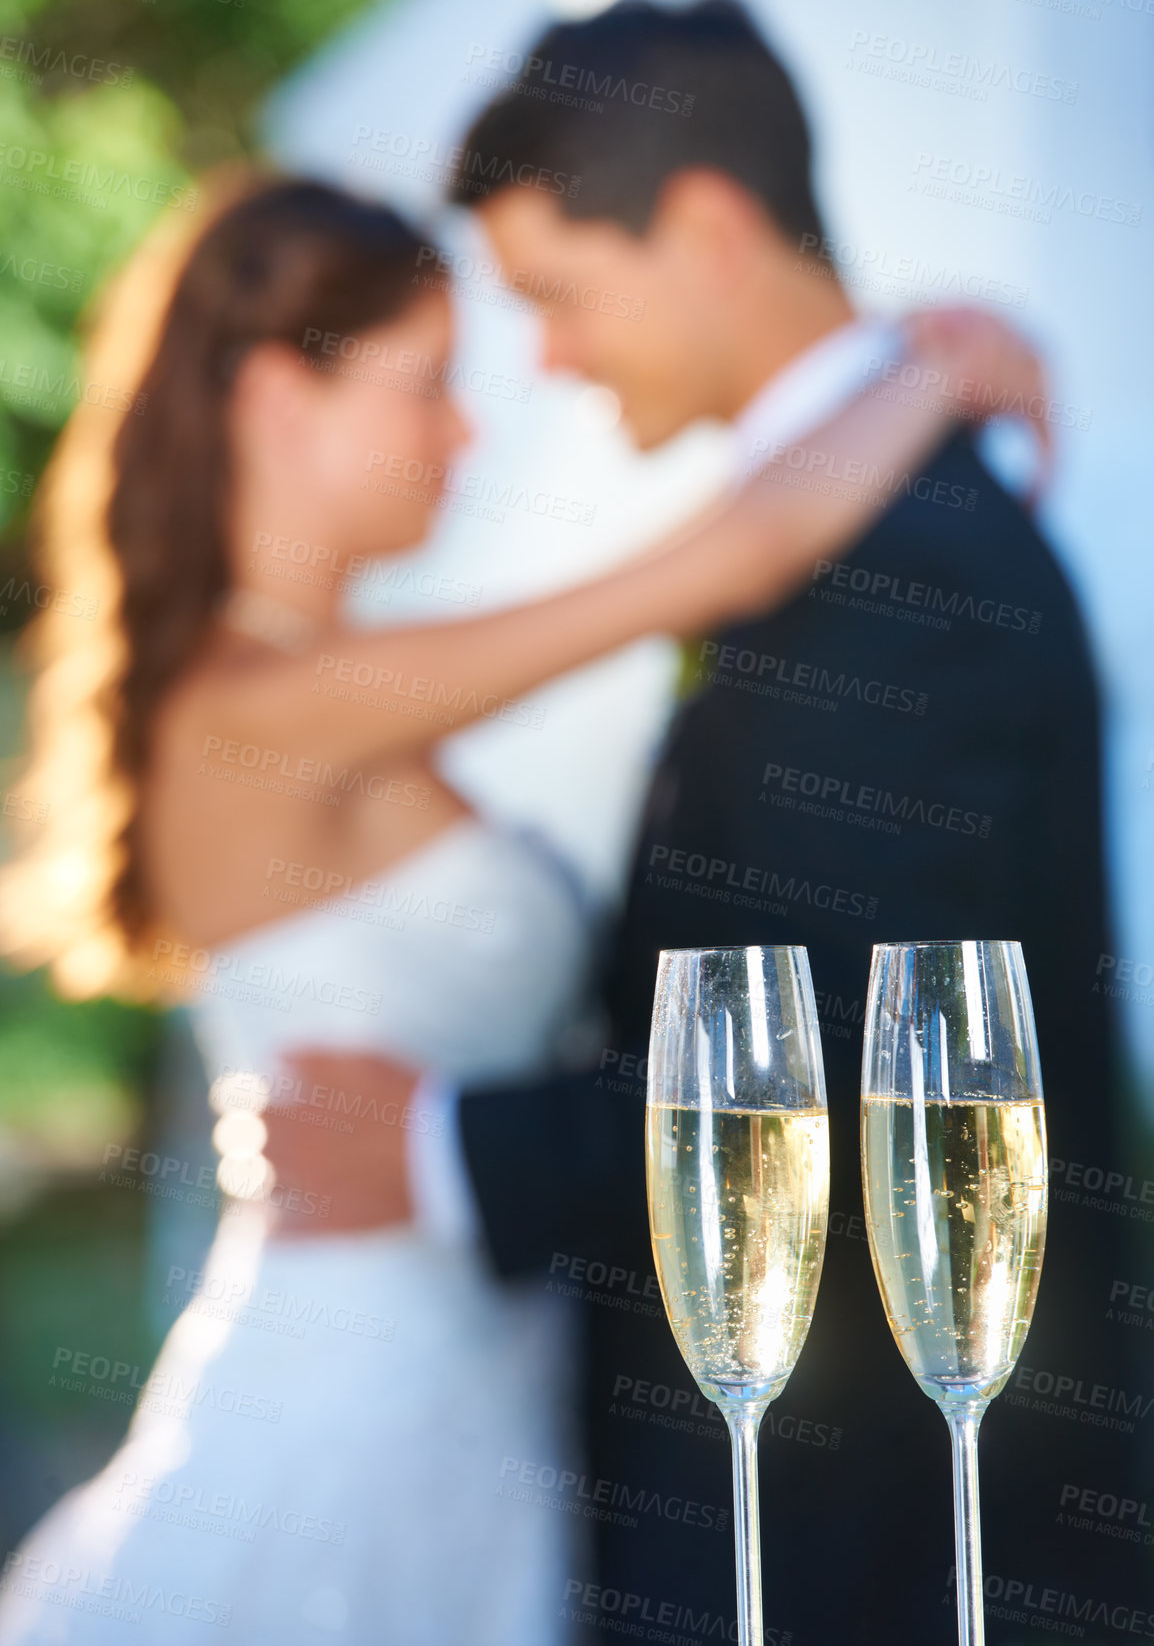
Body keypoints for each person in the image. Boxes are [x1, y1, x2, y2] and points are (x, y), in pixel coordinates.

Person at [0, 169, 1036, 1645]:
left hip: (475, 1402)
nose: (464, 430)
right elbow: (726, 556)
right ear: (275, 398)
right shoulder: (267, 706)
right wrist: (938, 363)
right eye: (424, 385)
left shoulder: (326, 687)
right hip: (355, 1415)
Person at [278, 0, 1140, 1645]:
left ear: (705, 228)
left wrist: (441, 1151)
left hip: (863, 1530)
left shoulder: (916, 572)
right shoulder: (869, 511)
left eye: (555, 297)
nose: (548, 358)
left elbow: (834, 1049)